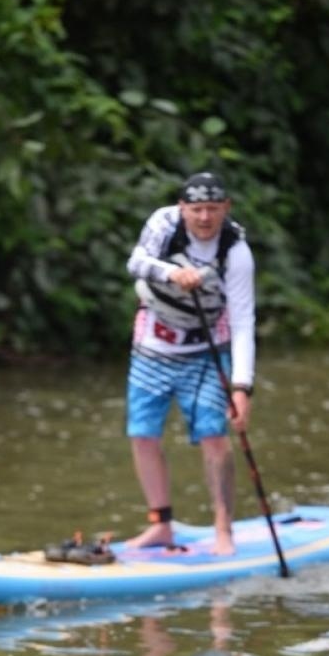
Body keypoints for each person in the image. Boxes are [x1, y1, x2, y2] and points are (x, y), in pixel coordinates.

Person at [123, 170, 257, 556]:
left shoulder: (235, 250)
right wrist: (172, 272)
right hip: (152, 345)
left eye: (213, 209)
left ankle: (222, 530)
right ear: (183, 208)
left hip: (207, 352)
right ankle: (161, 525)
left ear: (225, 209)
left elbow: (244, 320)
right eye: (196, 209)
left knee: (215, 436)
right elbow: (137, 262)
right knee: (143, 434)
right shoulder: (164, 223)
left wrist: (242, 387)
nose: (204, 218)